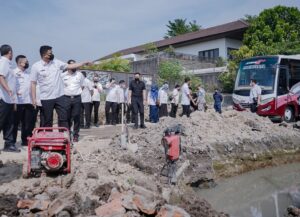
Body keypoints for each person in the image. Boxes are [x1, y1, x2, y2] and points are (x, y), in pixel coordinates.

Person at [31, 45, 91, 128]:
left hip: (60, 96)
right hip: (46, 97)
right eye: (50, 53)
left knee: (64, 118)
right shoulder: (36, 66)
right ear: (44, 55)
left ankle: (64, 137)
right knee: (47, 120)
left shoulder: (56, 62)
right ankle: (49, 138)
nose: (52, 54)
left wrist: (83, 63)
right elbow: (33, 83)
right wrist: (33, 99)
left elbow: (69, 66)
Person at [0, 44, 19, 152]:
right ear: (10, 52)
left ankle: (9, 144)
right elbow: (0, 76)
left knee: (9, 122)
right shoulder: (3, 62)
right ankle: (9, 143)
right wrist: (7, 89)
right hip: (3, 98)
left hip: (9, 99)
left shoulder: (8, 64)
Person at [12, 55, 35, 146]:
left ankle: (25, 140)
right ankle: (12, 141)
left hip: (27, 102)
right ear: (19, 62)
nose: (27, 63)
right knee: (14, 123)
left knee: (27, 123)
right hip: (17, 102)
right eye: (26, 62)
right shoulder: (13, 73)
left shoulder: (28, 74)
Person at [62, 60, 84, 142]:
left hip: (77, 98)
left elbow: (82, 86)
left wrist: (76, 93)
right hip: (66, 98)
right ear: (68, 66)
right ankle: (68, 134)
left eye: (75, 65)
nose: (74, 66)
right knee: (67, 117)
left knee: (76, 116)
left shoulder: (80, 75)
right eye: (72, 65)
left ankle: (76, 135)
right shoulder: (62, 75)